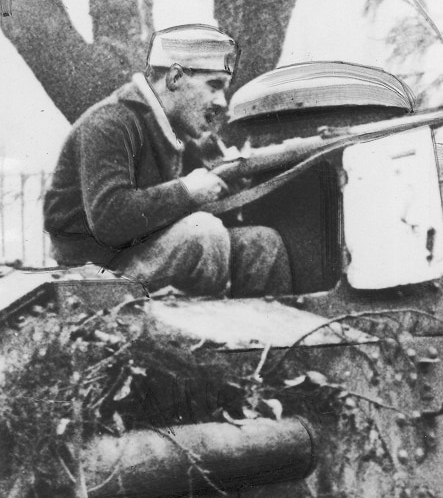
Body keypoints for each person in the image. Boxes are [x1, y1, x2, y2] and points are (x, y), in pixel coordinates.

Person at [43, 23, 290, 297]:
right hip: (94, 275)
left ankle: (264, 334)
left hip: (137, 253)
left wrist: (230, 184)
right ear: (174, 78)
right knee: (202, 234)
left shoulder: (175, 132)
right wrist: (188, 191)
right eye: (214, 86)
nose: (222, 101)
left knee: (262, 244)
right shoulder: (110, 123)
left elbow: (197, 207)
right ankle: (205, 334)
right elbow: (108, 219)